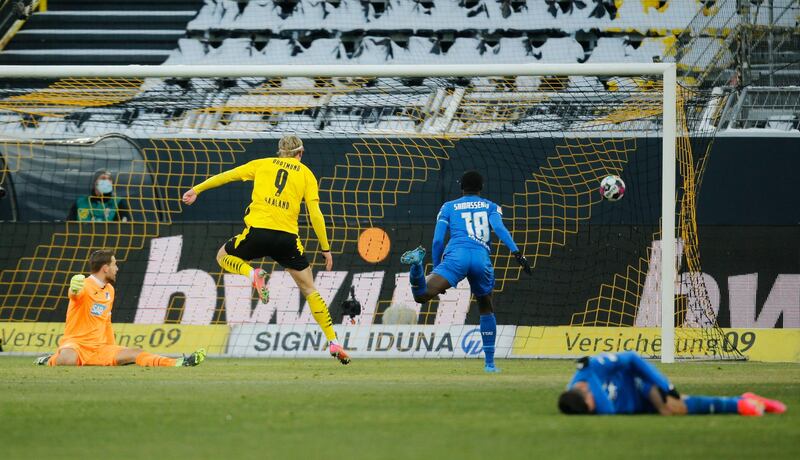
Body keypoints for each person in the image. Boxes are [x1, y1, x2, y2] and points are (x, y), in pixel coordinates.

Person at [181, 134, 350, 365]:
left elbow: (226, 176)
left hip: (258, 233)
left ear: (279, 152)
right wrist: (326, 248)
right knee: (310, 289)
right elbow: (315, 215)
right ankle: (333, 341)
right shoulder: (307, 174)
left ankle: (253, 274)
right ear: (300, 154)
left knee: (222, 256)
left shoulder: (261, 164)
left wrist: (197, 189)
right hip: (287, 239)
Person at [400, 170, 531, 373]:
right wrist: (517, 253)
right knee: (486, 308)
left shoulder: (448, 207)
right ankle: (490, 364)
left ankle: (416, 266)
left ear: (461, 187)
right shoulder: (490, 206)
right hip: (481, 259)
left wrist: (436, 269)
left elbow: (436, 241)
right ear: (481, 188)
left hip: (456, 257)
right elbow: (500, 229)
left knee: (422, 294)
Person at [36, 250, 205, 367]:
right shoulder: (84, 286)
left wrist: (112, 348)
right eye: (114, 264)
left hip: (100, 348)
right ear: (105, 268)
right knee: (68, 360)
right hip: (76, 345)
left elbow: (106, 322)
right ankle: (50, 359)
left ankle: (178, 362)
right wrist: (72, 289)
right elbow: (74, 295)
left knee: (135, 352)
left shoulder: (109, 290)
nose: (117, 268)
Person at [558, 351, 787, 416]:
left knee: (672, 407)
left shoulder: (596, 365)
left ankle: (739, 405)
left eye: (592, 402)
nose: (596, 405)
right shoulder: (587, 379)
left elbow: (631, 357)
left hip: (638, 385)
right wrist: (588, 375)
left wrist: (664, 384)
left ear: (584, 391)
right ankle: (747, 399)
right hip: (635, 407)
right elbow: (607, 412)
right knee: (679, 407)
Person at [67, 170, 131, 222]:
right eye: (103, 178)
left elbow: (125, 228)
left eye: (109, 179)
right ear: (95, 182)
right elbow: (69, 225)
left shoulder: (118, 202)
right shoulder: (80, 202)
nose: (107, 181)